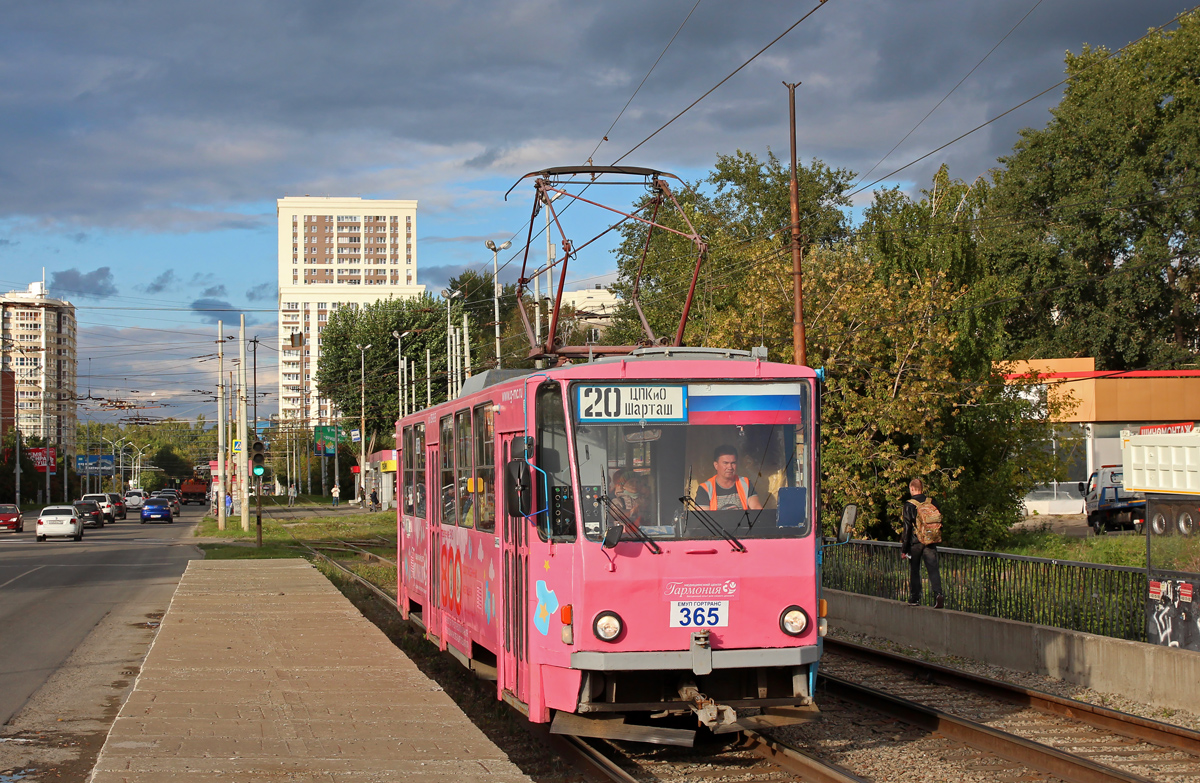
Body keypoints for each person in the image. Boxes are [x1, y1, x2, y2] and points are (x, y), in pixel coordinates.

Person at [901, 477, 944, 608]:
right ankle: (938, 594)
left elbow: (907, 529)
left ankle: (915, 598)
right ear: (922, 489)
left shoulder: (909, 505)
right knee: (933, 568)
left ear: (912, 489)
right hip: (931, 540)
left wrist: (904, 549)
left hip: (916, 542)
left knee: (915, 570)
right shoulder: (932, 502)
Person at [694, 445, 763, 510]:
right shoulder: (705, 489)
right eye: (725, 463)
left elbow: (757, 509)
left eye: (733, 463)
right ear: (716, 465)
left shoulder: (745, 483)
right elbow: (702, 519)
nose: (730, 467)